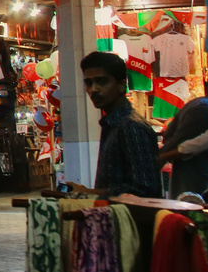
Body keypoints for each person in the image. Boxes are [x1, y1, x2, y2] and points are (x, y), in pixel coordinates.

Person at [69, 51, 161, 198]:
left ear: (121, 85)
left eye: (101, 81)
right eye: (89, 83)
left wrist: (90, 193)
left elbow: (146, 189)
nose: (93, 89)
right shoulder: (113, 124)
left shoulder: (131, 127)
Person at [156, 80, 208, 197]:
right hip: (197, 177)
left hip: (185, 175)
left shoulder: (197, 104)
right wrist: (162, 157)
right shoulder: (205, 110)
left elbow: (169, 135)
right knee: (192, 211)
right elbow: (186, 144)